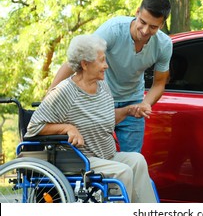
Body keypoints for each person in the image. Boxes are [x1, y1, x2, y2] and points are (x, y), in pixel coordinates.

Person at [26, 34, 157, 203]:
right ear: (85, 64)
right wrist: (68, 128)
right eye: (102, 61)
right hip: (82, 160)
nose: (106, 66)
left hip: (106, 155)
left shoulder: (102, 86)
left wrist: (129, 110)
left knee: (137, 161)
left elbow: (104, 121)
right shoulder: (65, 92)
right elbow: (34, 127)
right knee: (123, 171)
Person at [49, 0, 172, 153]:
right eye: (142, 22)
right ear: (137, 12)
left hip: (132, 102)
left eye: (153, 27)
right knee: (94, 157)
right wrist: (51, 93)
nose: (145, 30)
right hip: (99, 100)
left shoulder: (164, 45)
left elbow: (159, 83)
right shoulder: (113, 30)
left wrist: (145, 104)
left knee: (133, 159)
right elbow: (79, 59)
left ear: (161, 25)